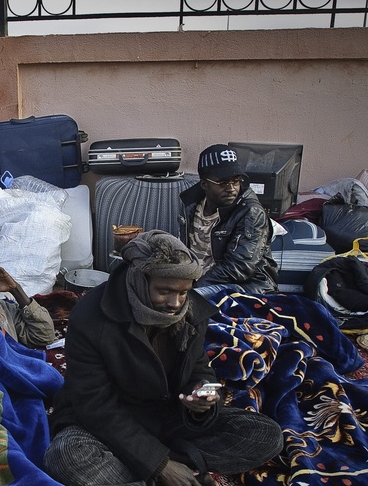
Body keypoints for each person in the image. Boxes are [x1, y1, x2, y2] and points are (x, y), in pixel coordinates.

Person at [44, 231, 282, 486]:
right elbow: (96, 406)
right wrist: (160, 464)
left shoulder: (190, 311)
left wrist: (202, 397)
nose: (175, 303)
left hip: (167, 418)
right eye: (164, 291)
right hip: (110, 423)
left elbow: (199, 369)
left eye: (183, 293)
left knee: (266, 435)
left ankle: (158, 471)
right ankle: (175, 472)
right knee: (66, 456)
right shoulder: (90, 318)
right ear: (139, 279)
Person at [179, 144, 279, 296]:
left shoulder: (251, 212)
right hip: (198, 280)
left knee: (185, 300)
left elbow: (239, 267)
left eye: (236, 181)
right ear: (204, 184)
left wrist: (192, 290)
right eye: (223, 183)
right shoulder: (191, 205)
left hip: (246, 286)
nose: (231, 189)